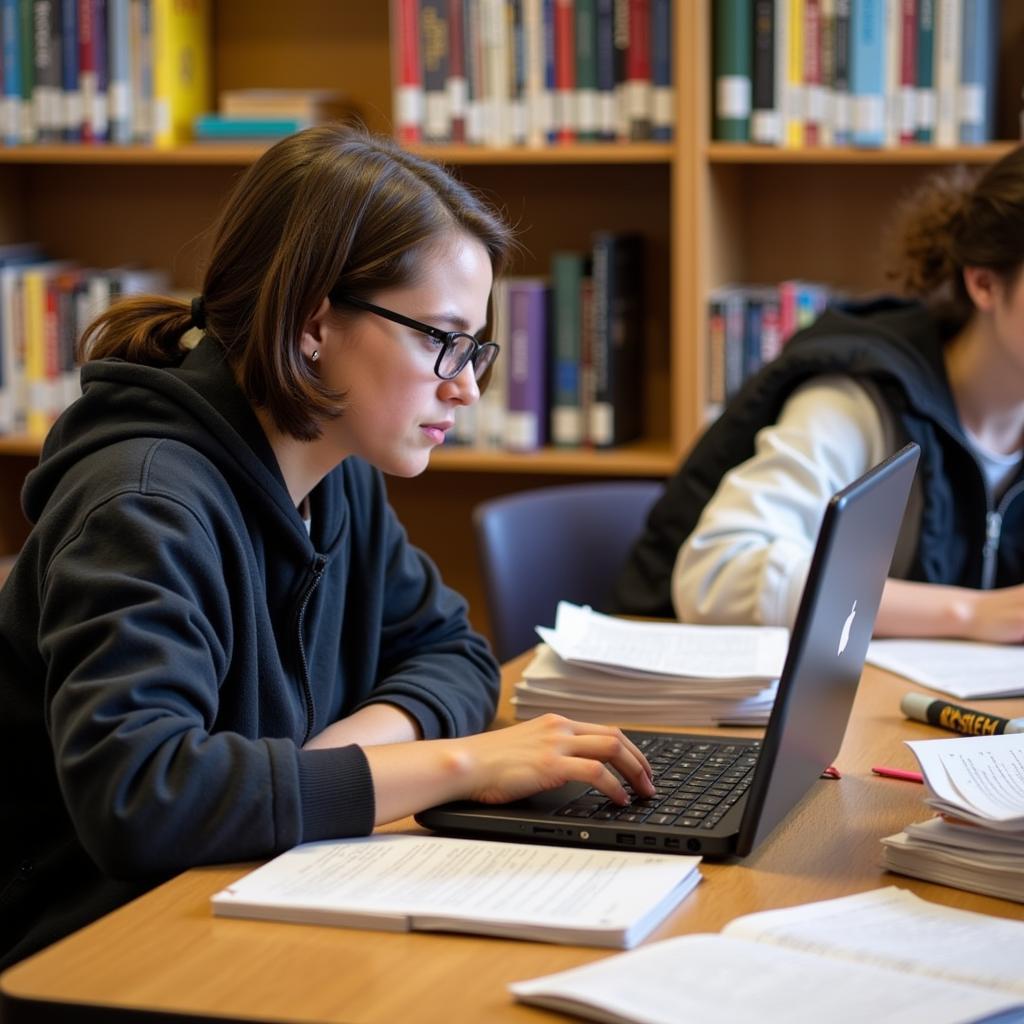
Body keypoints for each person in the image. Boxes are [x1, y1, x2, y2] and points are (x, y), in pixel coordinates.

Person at [0, 126, 654, 969]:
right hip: (103, 951)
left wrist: (309, 777)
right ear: (315, 321)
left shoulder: (334, 465)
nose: (468, 385)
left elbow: (452, 654)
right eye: (440, 340)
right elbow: (142, 796)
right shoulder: (143, 502)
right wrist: (455, 765)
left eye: (477, 346)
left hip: (249, 893)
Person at [615, 144, 1024, 644]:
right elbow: (719, 570)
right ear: (985, 284)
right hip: (713, 706)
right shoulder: (858, 399)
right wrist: (972, 615)